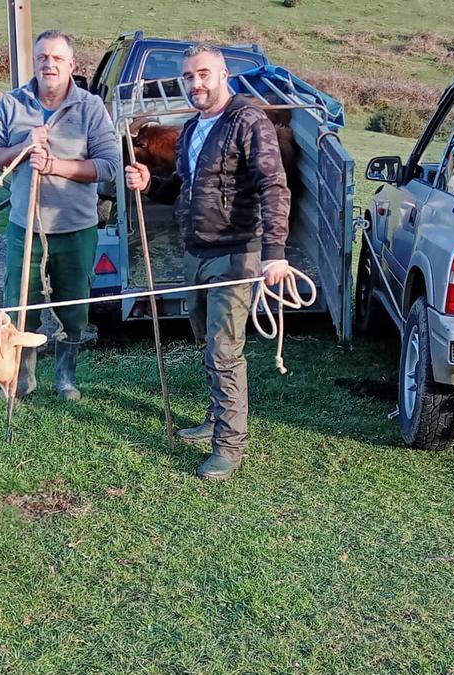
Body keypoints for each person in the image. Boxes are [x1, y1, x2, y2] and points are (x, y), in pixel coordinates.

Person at [125, 44, 291, 480]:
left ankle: (229, 448)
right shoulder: (194, 126)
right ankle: (216, 417)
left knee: (224, 351)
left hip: (235, 252)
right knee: (205, 341)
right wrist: (149, 183)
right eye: (188, 77)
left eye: (203, 74)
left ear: (223, 75)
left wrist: (274, 255)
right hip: (195, 251)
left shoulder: (248, 121)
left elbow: (274, 186)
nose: (195, 84)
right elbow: (185, 185)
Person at [0, 29, 119, 401]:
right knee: (20, 307)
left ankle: (65, 377)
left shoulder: (90, 108)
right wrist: (22, 148)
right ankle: (22, 377)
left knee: (73, 309)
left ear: (72, 65)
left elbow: (109, 166)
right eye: (43, 57)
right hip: (24, 226)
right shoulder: (13, 104)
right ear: (35, 62)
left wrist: (56, 165)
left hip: (75, 228)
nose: (49, 63)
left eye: (57, 58)